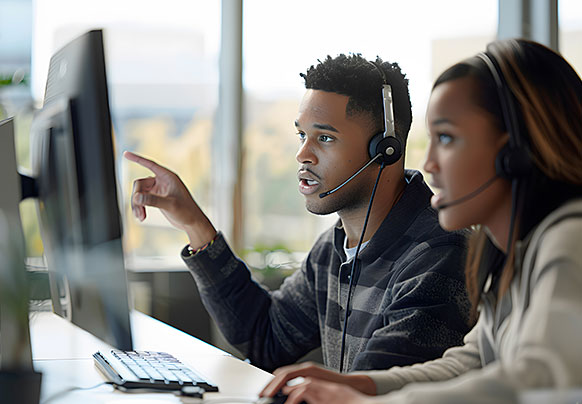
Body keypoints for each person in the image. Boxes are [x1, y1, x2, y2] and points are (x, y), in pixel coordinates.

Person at [259, 39, 582, 403]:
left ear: (515, 153)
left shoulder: (571, 238)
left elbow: (540, 382)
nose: (428, 163)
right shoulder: (510, 254)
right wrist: (363, 386)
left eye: (446, 138)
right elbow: (471, 362)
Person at [124, 53, 471, 373]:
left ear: (385, 149)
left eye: (325, 138)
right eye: (302, 135)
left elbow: (373, 391)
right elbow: (266, 338)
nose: (302, 154)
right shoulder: (333, 249)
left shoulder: (438, 255)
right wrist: (195, 225)